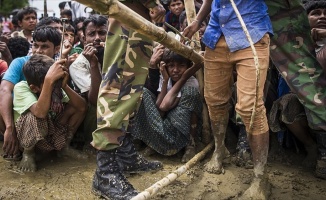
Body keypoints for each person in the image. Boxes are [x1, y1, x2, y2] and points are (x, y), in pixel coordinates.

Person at [183, 0, 273, 199]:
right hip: (216, 35)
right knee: (214, 100)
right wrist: (198, 21)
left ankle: (260, 178)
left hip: (251, 33)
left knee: (251, 108)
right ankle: (219, 150)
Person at [90, 1, 165, 199]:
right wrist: (152, 3)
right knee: (118, 89)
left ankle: (125, 154)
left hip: (137, 19)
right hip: (128, 16)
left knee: (132, 90)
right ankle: (105, 172)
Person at [265, 0, 326, 179]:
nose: (322, 16)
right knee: (287, 104)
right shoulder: (291, 47)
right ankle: (315, 150)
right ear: (302, 19)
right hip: (309, 104)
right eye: (316, 13)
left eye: (325, 12)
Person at [0, 26, 76, 161]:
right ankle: (19, 145)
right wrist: (9, 127)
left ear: (56, 49)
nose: (38, 51)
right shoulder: (20, 63)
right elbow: (5, 90)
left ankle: (62, 146)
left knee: (71, 106)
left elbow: (64, 96)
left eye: (44, 46)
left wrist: (64, 60)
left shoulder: (55, 66)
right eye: (36, 45)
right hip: (20, 117)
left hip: (46, 116)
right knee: (31, 115)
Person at [13, 54, 86, 172]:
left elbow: (81, 107)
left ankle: (63, 147)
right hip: (28, 140)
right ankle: (28, 154)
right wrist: (48, 81)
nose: (56, 87)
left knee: (74, 107)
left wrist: (64, 86)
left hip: (49, 135)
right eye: (53, 84)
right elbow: (40, 113)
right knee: (33, 116)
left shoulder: (56, 89)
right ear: (34, 88)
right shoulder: (21, 87)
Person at [130, 46, 202, 162]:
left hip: (178, 131)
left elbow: (165, 105)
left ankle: (190, 145)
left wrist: (183, 78)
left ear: (189, 68)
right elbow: (159, 107)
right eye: (171, 66)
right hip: (164, 124)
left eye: (181, 66)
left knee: (190, 93)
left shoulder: (190, 83)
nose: (175, 70)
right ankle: (152, 142)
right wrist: (164, 80)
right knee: (144, 93)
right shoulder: (166, 79)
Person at [69, 15, 108, 143]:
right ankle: (94, 144)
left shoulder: (118, 56)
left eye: (102, 33)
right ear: (84, 39)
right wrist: (93, 64)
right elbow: (94, 99)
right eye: (92, 34)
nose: (97, 38)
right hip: (94, 111)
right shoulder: (78, 64)